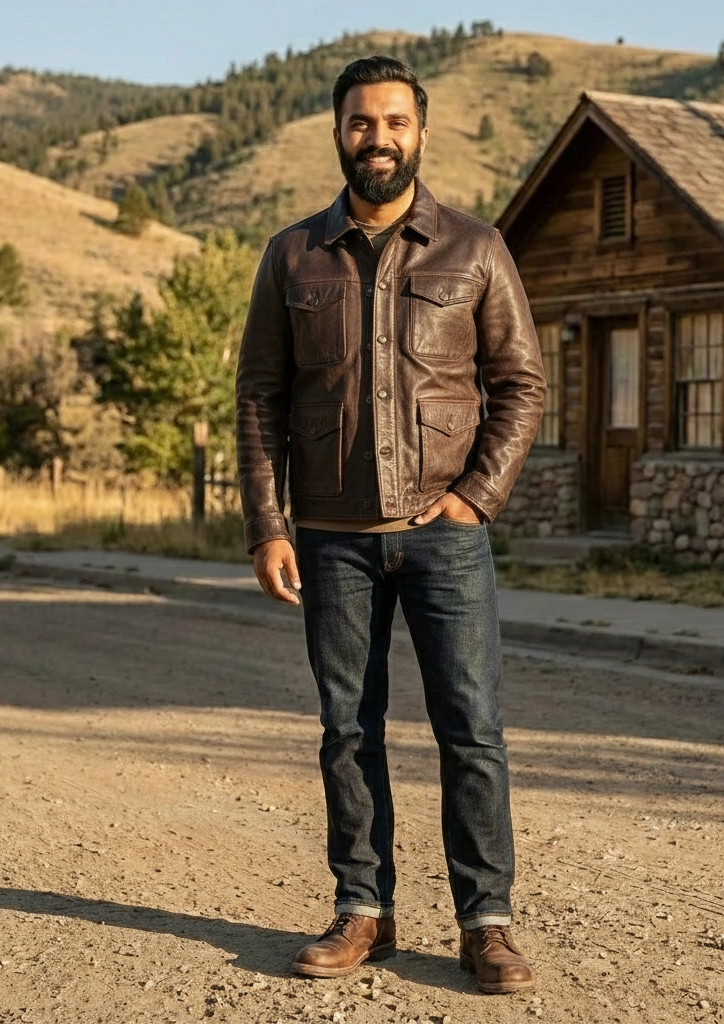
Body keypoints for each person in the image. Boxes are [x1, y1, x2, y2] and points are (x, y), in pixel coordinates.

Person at [235, 55, 545, 994]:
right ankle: (363, 911)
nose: (378, 138)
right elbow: (259, 398)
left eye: (395, 122)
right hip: (332, 539)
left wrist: (477, 496)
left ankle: (486, 924)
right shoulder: (291, 255)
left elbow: (521, 385)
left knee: (472, 730)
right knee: (347, 731)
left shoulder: (477, 248)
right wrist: (268, 525)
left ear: (421, 132)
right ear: (338, 133)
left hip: (447, 535)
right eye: (361, 122)